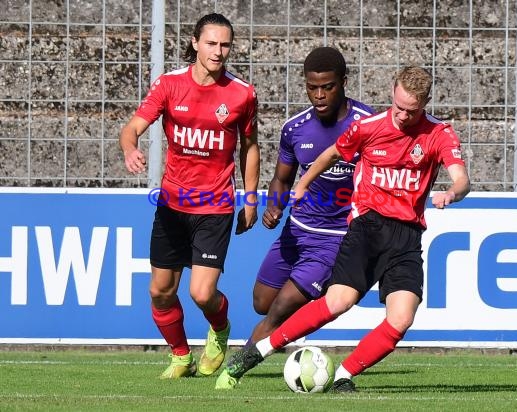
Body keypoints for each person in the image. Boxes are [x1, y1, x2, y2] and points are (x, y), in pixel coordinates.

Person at [216, 65, 470, 392]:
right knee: (338, 303)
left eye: (412, 110)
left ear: (425, 103)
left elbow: (461, 176)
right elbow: (332, 152)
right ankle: (256, 353)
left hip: (406, 237)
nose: (403, 116)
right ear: (392, 93)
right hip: (366, 228)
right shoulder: (369, 127)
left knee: (402, 318)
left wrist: (454, 192)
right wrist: (305, 182)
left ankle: (344, 375)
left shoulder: (439, 133)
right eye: (398, 107)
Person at [215, 47, 375, 389]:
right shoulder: (296, 129)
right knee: (262, 303)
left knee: (280, 309)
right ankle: (296, 323)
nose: (319, 95)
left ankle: (236, 368)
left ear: (344, 83)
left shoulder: (369, 125)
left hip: (335, 240)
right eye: (312, 87)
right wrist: (274, 205)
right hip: (295, 231)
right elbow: (282, 178)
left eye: (328, 87)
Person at [119, 12, 260, 379]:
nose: (218, 51)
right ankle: (181, 356)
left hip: (215, 207)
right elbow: (132, 127)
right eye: (211, 43)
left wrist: (250, 198)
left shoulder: (242, 93)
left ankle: (220, 329)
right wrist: (130, 148)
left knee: (201, 293)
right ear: (195, 43)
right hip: (171, 205)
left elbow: (250, 147)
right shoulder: (168, 85)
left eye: (225, 44)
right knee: (161, 291)